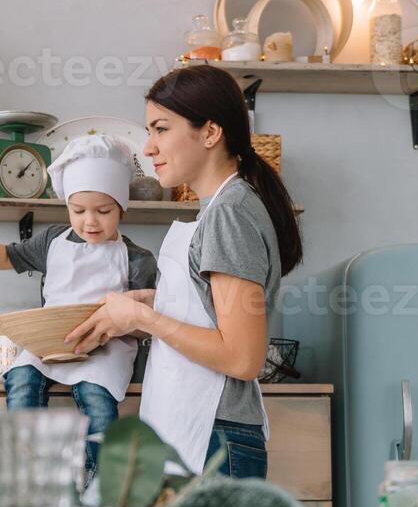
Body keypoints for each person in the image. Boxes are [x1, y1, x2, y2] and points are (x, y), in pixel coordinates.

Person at [65, 66, 304, 478]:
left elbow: (243, 357)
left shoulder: (229, 214)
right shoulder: (219, 208)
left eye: (161, 129)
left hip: (215, 438)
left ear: (210, 133)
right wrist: (149, 302)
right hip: (199, 433)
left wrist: (142, 317)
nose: (148, 146)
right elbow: (212, 308)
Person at [0, 134, 157, 473]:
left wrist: (122, 326)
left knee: (96, 400)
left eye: (103, 211)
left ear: (121, 207)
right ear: (67, 207)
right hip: (50, 342)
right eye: (78, 211)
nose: (90, 221)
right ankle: (27, 469)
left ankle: (100, 483)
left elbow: (144, 321)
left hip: (105, 351)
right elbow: (10, 255)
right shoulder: (52, 241)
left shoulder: (137, 259)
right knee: (19, 377)